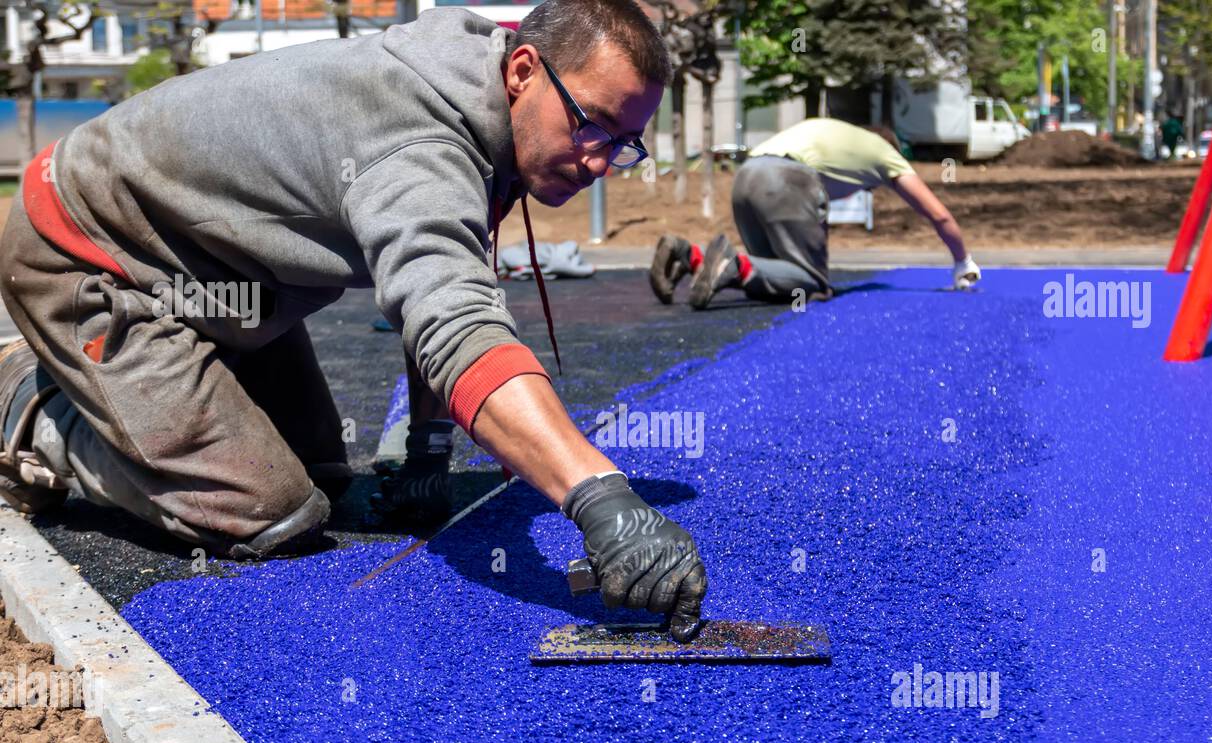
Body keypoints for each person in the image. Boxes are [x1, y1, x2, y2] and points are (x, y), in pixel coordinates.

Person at [0, 0, 707, 639]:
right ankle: (23, 404)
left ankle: (127, 391)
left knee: (324, 476)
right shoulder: (420, 141)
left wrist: (429, 447)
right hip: (86, 257)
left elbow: (442, 286)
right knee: (268, 511)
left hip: (212, 282)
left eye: (624, 142)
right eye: (591, 125)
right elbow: (455, 327)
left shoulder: (485, 96)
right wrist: (601, 498)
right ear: (524, 68)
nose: (600, 161)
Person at [650, 118, 982, 309]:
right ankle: (733, 262)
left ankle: (691, 256)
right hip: (788, 179)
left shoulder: (836, 135)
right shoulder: (886, 154)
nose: (866, 191)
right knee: (812, 283)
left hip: (747, 175)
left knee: (774, 279)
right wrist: (962, 261)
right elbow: (939, 215)